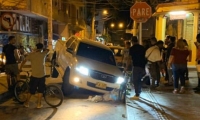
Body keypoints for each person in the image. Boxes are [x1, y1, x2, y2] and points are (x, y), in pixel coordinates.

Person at [19, 43, 49, 108]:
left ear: (36, 47)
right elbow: (48, 50)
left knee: (31, 90)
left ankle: (26, 103)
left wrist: (20, 68)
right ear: (42, 48)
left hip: (34, 76)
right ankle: (38, 104)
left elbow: (24, 61)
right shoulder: (43, 54)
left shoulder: (31, 55)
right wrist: (41, 49)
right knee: (40, 90)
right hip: (42, 75)